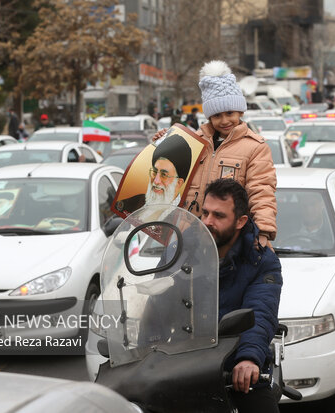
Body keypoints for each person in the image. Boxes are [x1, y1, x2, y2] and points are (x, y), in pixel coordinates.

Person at [154, 60, 277, 249]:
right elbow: (168, 177)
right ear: (209, 117)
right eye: (217, 115)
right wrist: (163, 142)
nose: (225, 120)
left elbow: (262, 192)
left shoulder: (255, 148)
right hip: (187, 238)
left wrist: (263, 230)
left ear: (240, 112)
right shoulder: (194, 142)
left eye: (230, 113)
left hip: (229, 242)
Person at [200, 179, 282, 413]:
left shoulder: (261, 261)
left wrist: (248, 359)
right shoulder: (186, 250)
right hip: (183, 363)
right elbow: (158, 298)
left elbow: (260, 312)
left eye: (218, 215)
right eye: (204, 212)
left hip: (232, 362)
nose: (207, 221)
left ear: (241, 221)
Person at [115, 133, 192, 214]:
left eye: (164, 175)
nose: (156, 181)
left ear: (179, 183)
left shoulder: (183, 214)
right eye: (154, 172)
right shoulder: (135, 202)